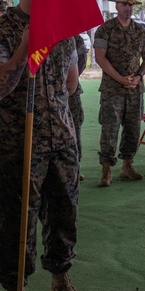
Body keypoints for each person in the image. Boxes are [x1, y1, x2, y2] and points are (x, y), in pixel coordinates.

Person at [0, 0, 90, 291]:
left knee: (64, 215)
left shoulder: (65, 30)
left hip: (61, 140)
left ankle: (60, 282)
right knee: (18, 221)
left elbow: (72, 84)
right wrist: (23, 51)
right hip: (19, 143)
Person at [94, 0, 145, 186]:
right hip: (112, 89)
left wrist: (137, 77)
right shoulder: (105, 29)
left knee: (133, 128)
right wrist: (120, 78)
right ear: (116, 6)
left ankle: (127, 165)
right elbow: (100, 58)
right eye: (124, 4)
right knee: (110, 128)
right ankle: (106, 169)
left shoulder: (141, 30)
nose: (128, 8)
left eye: (130, 5)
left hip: (135, 89)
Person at [69, 32, 89, 181]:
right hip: (44, 92)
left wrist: (72, 77)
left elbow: (82, 59)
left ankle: (75, 167)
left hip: (71, 91)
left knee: (75, 126)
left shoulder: (74, 37)